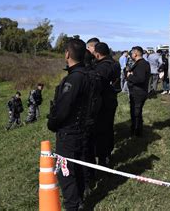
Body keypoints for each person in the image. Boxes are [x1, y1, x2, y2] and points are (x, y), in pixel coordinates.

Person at [47, 38, 90, 210]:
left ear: (67, 54)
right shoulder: (87, 75)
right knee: (77, 167)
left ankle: (73, 205)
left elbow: (64, 108)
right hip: (82, 130)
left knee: (66, 172)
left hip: (69, 133)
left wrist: (52, 123)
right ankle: (79, 200)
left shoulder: (74, 79)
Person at [93, 42, 120, 166]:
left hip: (102, 102)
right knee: (109, 128)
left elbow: (97, 87)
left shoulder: (101, 68)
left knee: (101, 131)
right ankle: (107, 154)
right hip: (112, 99)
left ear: (97, 54)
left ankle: (103, 158)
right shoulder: (115, 63)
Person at [126, 46, 150, 136]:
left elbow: (140, 79)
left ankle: (137, 131)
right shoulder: (141, 63)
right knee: (135, 111)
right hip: (137, 91)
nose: (131, 55)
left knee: (136, 112)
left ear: (135, 54)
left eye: (132, 53)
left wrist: (130, 76)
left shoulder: (142, 64)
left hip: (138, 92)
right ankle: (135, 129)